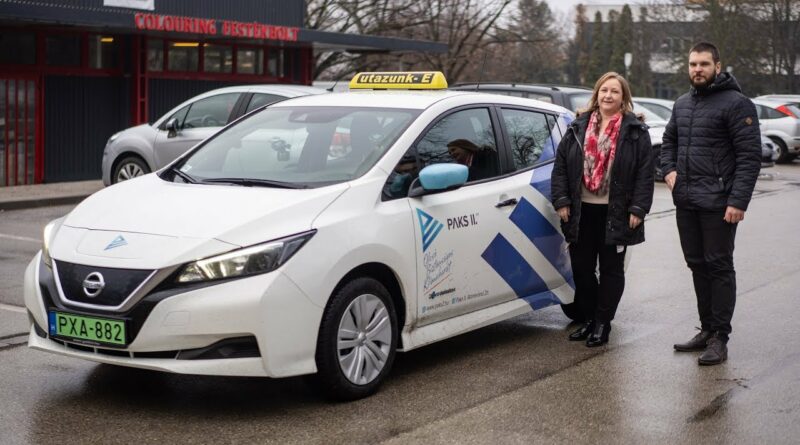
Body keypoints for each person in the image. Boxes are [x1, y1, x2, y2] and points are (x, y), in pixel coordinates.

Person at [661, 42, 761, 366]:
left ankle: (720, 337)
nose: (697, 70)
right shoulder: (681, 104)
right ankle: (706, 329)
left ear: (717, 66)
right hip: (687, 200)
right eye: (693, 64)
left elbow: (749, 157)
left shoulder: (737, 104)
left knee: (718, 266)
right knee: (696, 264)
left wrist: (738, 200)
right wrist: (669, 170)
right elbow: (668, 141)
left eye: (704, 64)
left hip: (720, 203)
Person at [551, 72, 654, 347]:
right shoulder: (578, 126)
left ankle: (602, 323)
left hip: (616, 212)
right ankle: (590, 318)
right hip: (581, 211)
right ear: (596, 94)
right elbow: (561, 166)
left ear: (624, 97)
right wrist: (562, 200)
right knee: (581, 269)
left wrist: (638, 208)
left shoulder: (635, 132)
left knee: (611, 270)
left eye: (614, 91)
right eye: (604, 90)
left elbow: (645, 174)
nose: (608, 95)